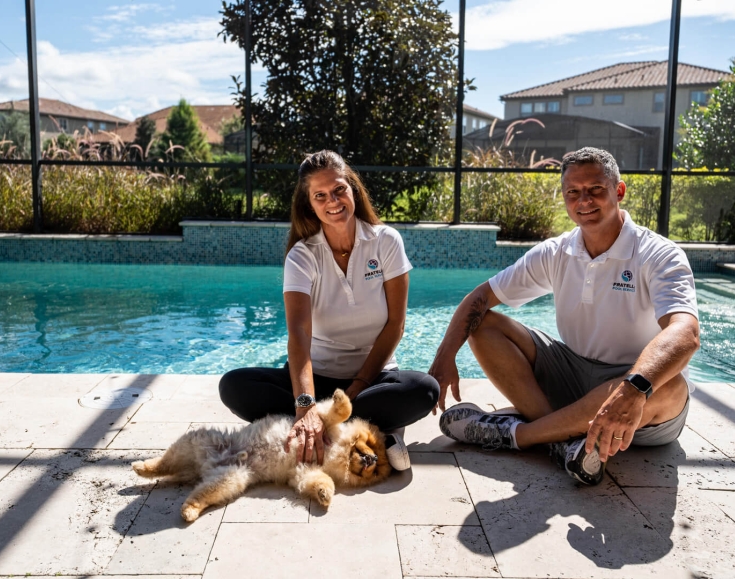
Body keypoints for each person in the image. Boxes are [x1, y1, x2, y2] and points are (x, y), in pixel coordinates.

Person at [429, 147, 700, 485]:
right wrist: (445, 356)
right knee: (483, 325)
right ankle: (564, 442)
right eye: (573, 192)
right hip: (572, 371)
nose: (583, 200)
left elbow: (686, 333)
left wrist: (633, 390)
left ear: (619, 191)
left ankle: (519, 436)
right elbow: (480, 298)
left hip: (636, 391)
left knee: (670, 385)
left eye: (595, 189)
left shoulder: (658, 253)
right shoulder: (557, 252)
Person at [219, 150, 439, 471]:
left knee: (423, 390)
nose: (332, 201)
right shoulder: (302, 255)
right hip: (316, 381)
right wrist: (305, 404)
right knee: (234, 386)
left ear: (352, 188)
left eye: (339, 190)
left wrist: (357, 387)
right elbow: (298, 334)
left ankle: (331, 425)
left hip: (373, 382)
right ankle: (357, 429)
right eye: (320, 195)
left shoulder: (386, 241)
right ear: (310, 203)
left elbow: (396, 325)